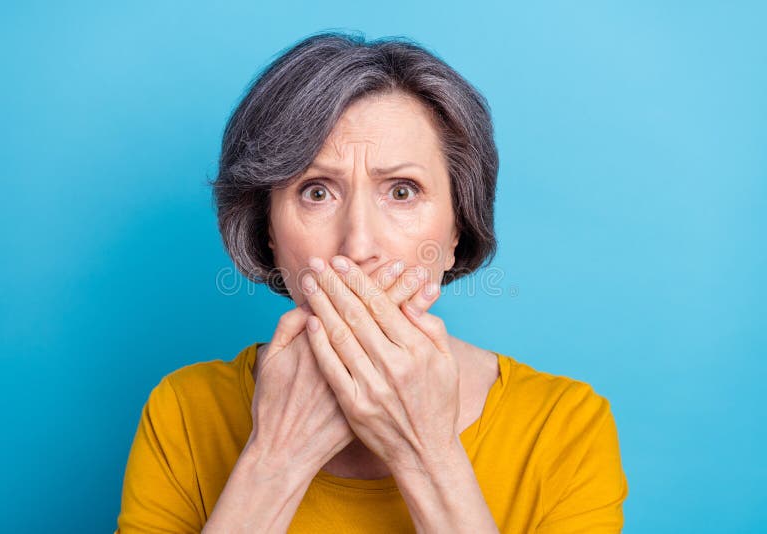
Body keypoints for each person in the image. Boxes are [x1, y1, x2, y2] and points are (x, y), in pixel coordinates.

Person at [115, 31, 628, 533]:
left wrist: (426, 452)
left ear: (457, 230)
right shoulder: (185, 411)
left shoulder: (564, 427)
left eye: (402, 191)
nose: (359, 245)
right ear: (267, 231)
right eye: (316, 192)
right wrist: (276, 459)